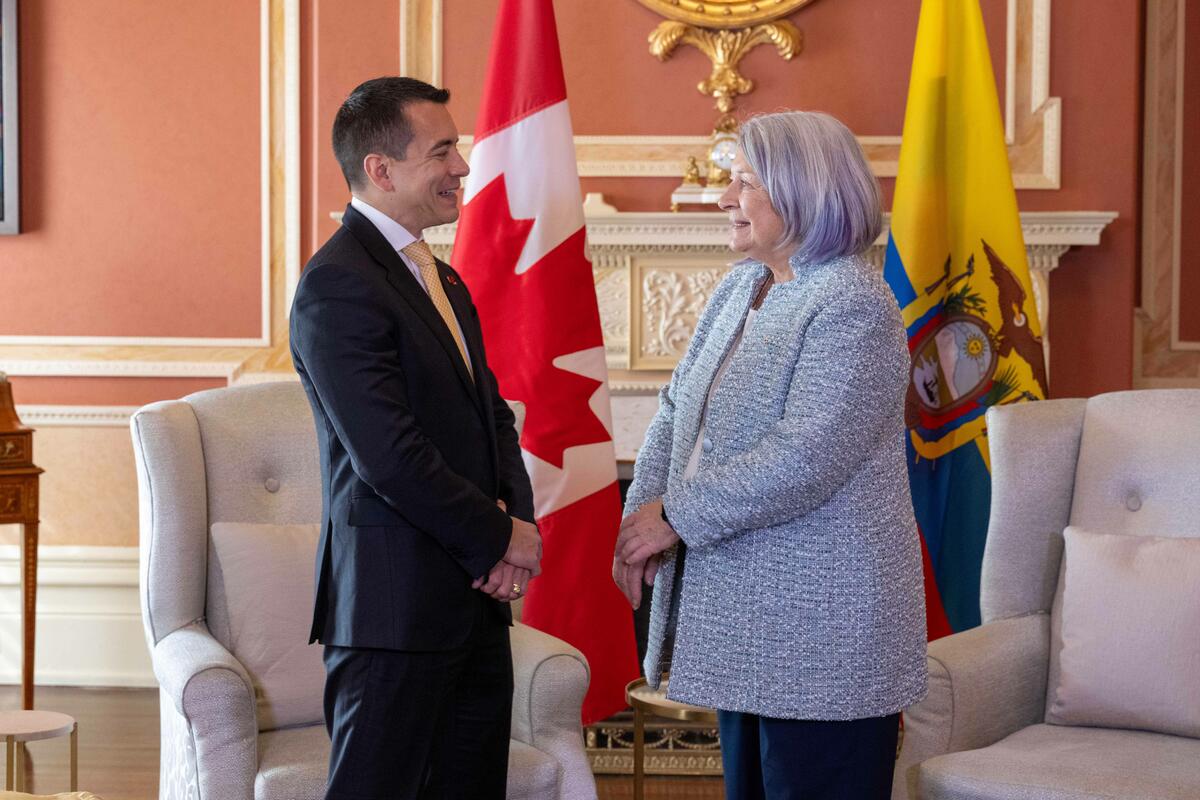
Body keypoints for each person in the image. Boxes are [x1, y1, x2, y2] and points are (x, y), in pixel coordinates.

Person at [613, 110, 928, 799]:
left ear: (802, 191)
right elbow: (674, 412)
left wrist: (674, 516)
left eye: (745, 183)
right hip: (747, 622)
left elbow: (805, 456)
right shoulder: (742, 286)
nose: (725, 198)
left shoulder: (854, 303)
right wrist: (639, 519)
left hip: (823, 629)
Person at [290, 76, 541, 800]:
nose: (461, 166)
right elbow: (389, 458)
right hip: (392, 611)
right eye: (442, 151)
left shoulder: (444, 277)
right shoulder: (337, 284)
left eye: (456, 148)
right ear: (381, 169)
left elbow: (492, 417)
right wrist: (497, 540)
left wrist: (514, 526)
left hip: (472, 605)